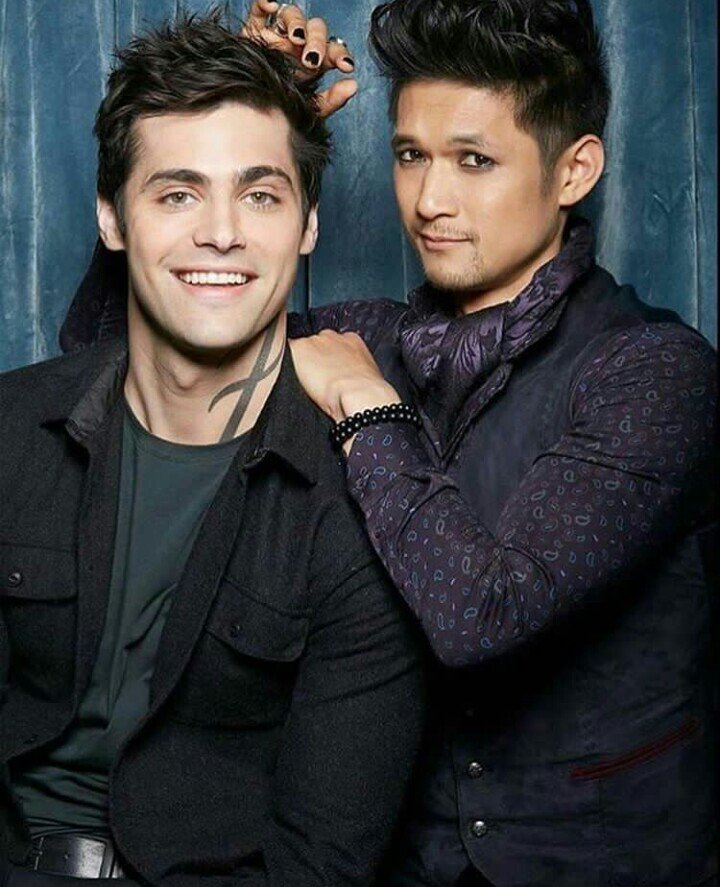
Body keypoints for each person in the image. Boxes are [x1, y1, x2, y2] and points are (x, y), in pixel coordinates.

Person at [59, 1, 718, 885]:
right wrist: (247, 118)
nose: (429, 200)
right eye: (411, 155)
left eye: (474, 160)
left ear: (575, 170)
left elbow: (484, 614)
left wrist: (368, 408)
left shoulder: (655, 369)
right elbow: (120, 357)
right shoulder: (372, 336)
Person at [0, 10, 426, 886]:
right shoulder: (12, 429)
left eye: (261, 195)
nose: (223, 232)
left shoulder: (365, 500)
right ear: (112, 218)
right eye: (178, 193)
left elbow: (323, 859)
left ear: (308, 225)